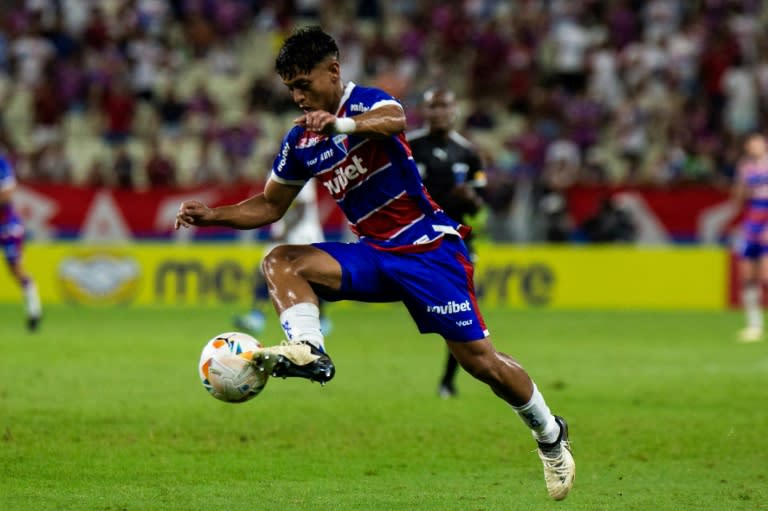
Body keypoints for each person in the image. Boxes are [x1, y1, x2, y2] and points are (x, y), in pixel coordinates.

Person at [175, 26, 575, 500]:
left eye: (305, 84)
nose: (299, 97)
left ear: (333, 71)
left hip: (428, 250)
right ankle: (308, 347)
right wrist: (213, 216)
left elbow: (395, 119)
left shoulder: (364, 103)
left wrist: (340, 125)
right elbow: (269, 206)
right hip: (372, 254)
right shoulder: (299, 142)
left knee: (481, 364)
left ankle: (550, 435)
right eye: (291, 90)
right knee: (281, 260)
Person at [407, 88, 486, 398]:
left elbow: (481, 208)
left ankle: (448, 381)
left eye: (445, 106)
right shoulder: (409, 146)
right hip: (415, 241)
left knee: (460, 313)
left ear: (455, 110)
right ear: (425, 111)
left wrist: (472, 199)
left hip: (456, 245)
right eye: (433, 106)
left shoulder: (468, 153)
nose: (439, 112)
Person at [234, 181, 332, 336]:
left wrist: (284, 232)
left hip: (302, 233)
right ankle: (256, 317)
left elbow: (302, 207)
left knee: (312, 276)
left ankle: (322, 319)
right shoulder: (277, 170)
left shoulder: (300, 167)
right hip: (284, 232)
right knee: (264, 270)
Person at [732, 132, 768, 343]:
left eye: (758, 143)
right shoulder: (746, 167)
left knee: (766, 275)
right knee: (747, 275)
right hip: (752, 222)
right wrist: (741, 181)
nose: (754, 146)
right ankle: (754, 325)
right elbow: (739, 200)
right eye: (750, 144)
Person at [0, 154, 42, 331]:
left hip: (7, 224)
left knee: (15, 267)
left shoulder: (2, 163)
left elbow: (7, 194)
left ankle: (34, 308)